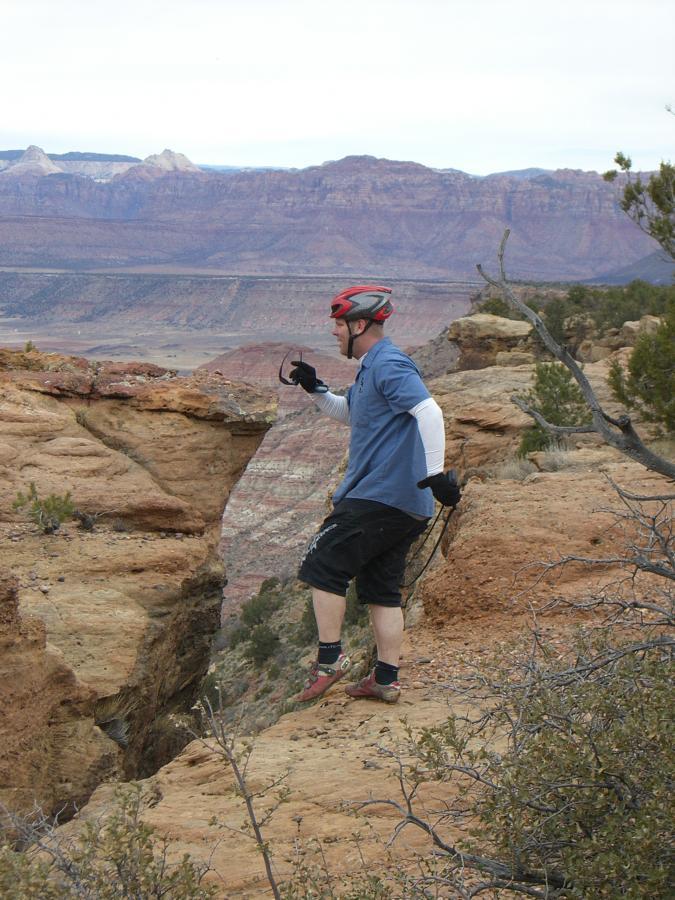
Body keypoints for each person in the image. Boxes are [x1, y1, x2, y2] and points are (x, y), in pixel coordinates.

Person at [287, 285, 460, 704]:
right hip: (406, 505)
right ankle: (385, 679)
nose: (333, 332)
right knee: (382, 590)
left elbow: (429, 410)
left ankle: (330, 661)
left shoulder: (389, 363)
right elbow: (351, 414)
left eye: (338, 324)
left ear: (359, 324)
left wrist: (435, 472)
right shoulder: (372, 368)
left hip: (379, 496)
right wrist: (317, 390)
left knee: (321, 563)